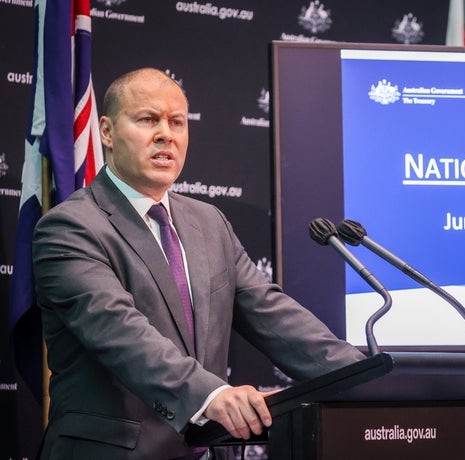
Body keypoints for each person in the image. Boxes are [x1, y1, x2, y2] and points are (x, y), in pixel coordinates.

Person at [32, 67, 365, 459]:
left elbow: (273, 316)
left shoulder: (209, 223)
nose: (165, 135)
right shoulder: (70, 227)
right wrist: (212, 394)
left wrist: (363, 378)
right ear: (106, 132)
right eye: (147, 120)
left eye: (177, 122)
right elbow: (120, 332)